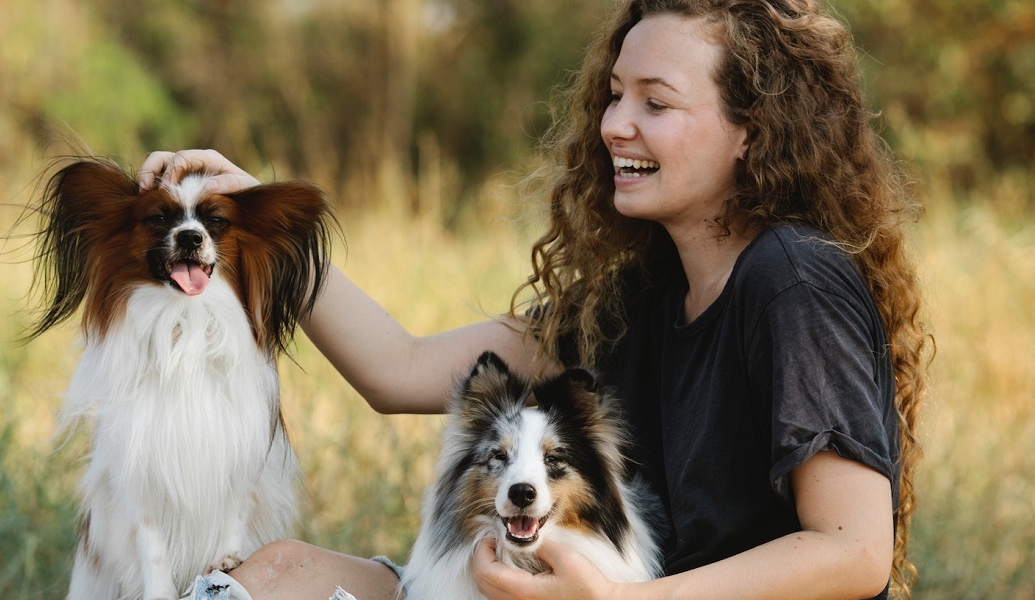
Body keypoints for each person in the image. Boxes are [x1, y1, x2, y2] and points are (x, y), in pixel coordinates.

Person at [138, 0, 929, 598]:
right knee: (278, 574)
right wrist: (262, 221)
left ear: (752, 129)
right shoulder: (635, 299)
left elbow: (852, 549)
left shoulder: (793, 280)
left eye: (656, 103)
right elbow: (398, 367)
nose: (615, 124)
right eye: (615, 95)